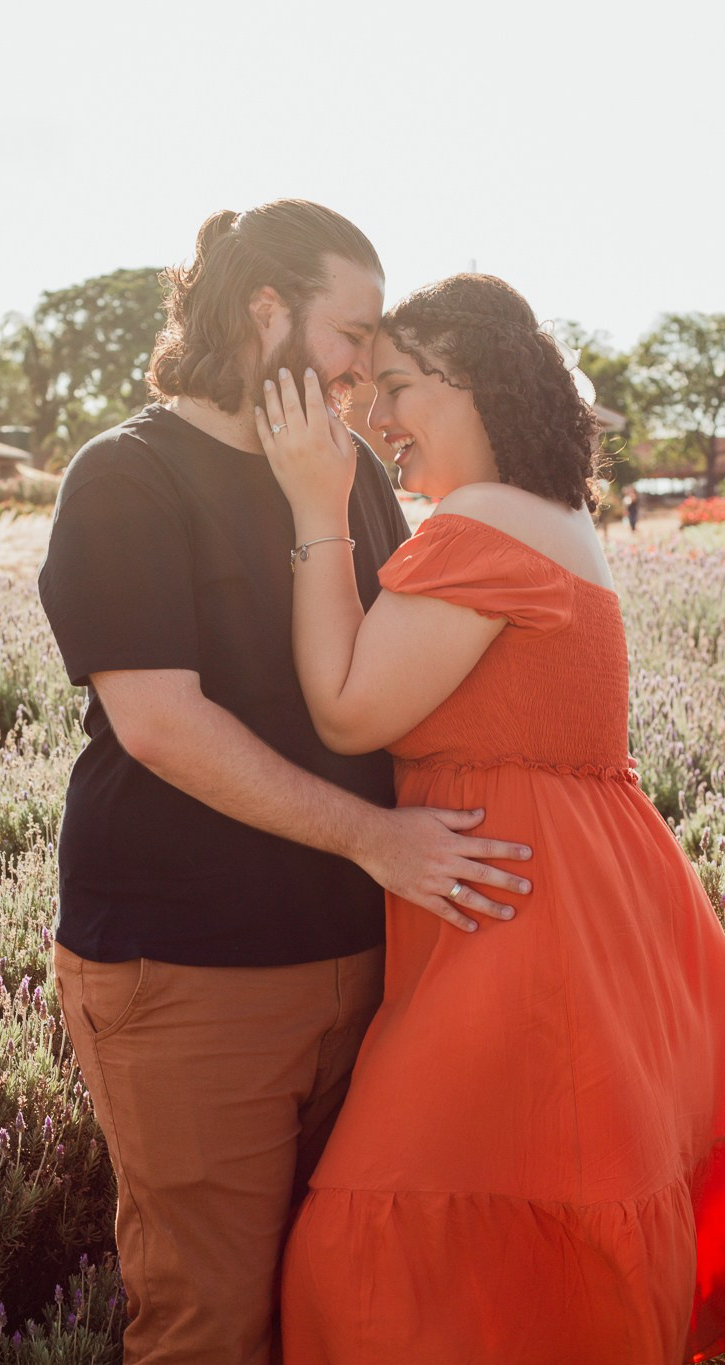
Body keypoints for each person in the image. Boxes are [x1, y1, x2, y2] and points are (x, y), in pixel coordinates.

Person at [37, 204, 533, 1365]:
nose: (368, 365)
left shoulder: (350, 469)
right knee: (212, 1317)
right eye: (351, 330)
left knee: (340, 1297)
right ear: (265, 310)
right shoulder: (123, 476)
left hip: (363, 958)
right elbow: (160, 726)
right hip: (189, 970)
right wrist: (375, 839)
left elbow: (396, 672)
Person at [258, 273, 725, 1365]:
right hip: (581, 898)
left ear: (475, 382)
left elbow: (346, 709)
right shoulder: (555, 515)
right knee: (537, 1227)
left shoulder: (478, 523)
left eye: (395, 386)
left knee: (390, 1241)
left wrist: (310, 508)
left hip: (515, 917)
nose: (374, 417)